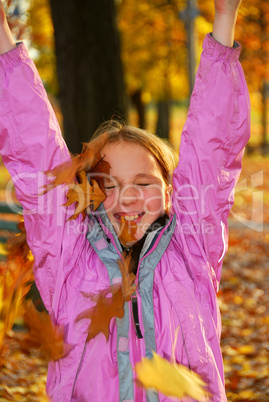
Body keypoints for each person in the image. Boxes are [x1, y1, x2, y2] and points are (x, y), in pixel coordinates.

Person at [0, 0, 250, 401]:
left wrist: (224, 17)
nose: (129, 196)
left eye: (145, 183)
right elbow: (35, 150)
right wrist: (3, 35)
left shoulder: (191, 250)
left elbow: (211, 145)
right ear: (89, 195)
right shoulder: (69, 256)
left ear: (173, 192)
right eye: (110, 185)